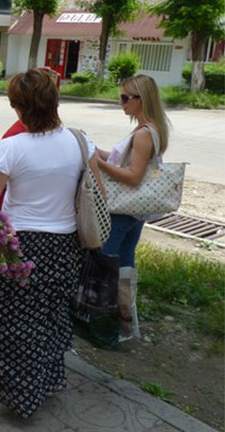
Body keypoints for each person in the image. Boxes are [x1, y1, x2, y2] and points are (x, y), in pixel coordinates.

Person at [0, 69, 102, 418]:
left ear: (19, 108)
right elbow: (97, 190)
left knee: (14, 321)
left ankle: (19, 395)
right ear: (54, 102)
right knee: (52, 315)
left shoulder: (11, 148)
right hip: (66, 246)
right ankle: (44, 381)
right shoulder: (80, 141)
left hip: (20, 248)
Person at [97, 74, 171, 342]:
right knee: (125, 263)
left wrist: (99, 165)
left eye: (126, 98)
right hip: (135, 210)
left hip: (123, 210)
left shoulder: (143, 134)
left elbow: (133, 176)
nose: (121, 102)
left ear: (142, 99)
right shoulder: (149, 129)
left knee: (105, 262)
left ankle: (106, 321)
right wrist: (96, 151)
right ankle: (126, 323)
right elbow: (123, 160)